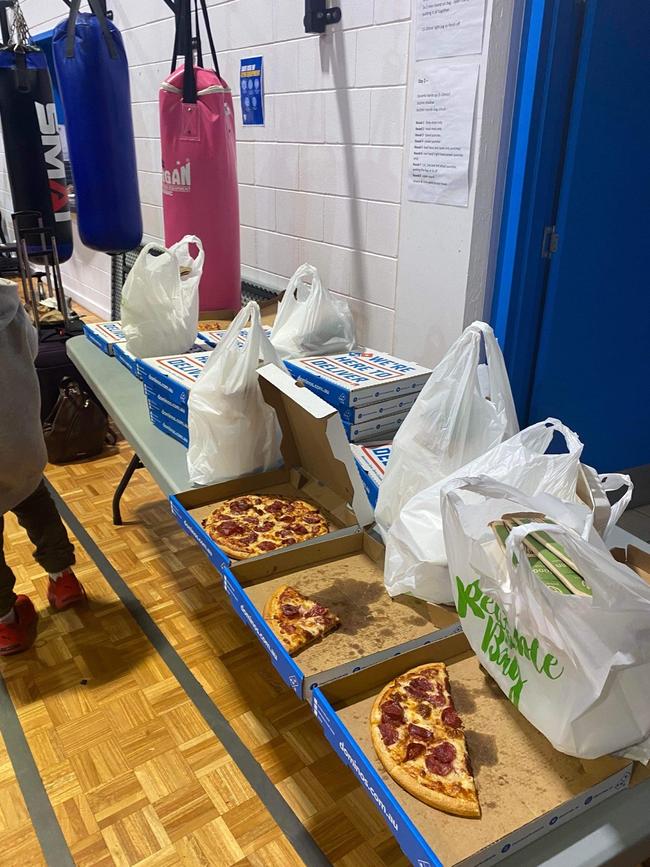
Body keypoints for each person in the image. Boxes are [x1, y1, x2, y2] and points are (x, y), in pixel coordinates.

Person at [0, 280, 86, 655]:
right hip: (20, 443)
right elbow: (31, 348)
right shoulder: (7, 301)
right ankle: (63, 579)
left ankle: (5, 622)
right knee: (36, 504)